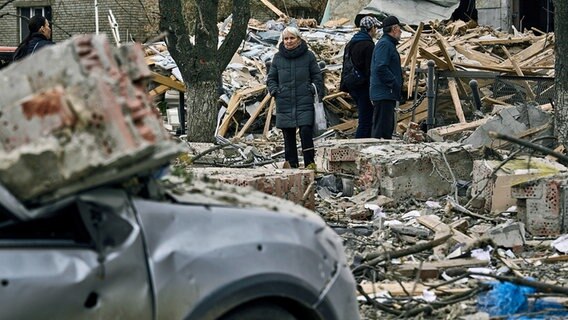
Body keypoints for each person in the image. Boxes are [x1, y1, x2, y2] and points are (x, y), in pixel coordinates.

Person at [267, 26, 324, 169]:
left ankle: (310, 166)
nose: (289, 41)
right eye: (286, 38)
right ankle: (292, 167)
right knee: (288, 136)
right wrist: (275, 90)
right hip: (284, 101)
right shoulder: (278, 58)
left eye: (292, 38)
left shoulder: (309, 56)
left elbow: (317, 76)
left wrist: (312, 89)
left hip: (304, 101)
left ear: (298, 39)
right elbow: (271, 78)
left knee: (306, 133)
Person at [340, 15, 381, 138]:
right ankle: (360, 145)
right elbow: (370, 70)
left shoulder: (351, 43)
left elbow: (345, 64)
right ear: (371, 28)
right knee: (366, 120)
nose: (376, 30)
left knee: (364, 117)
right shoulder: (368, 45)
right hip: (363, 86)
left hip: (352, 84)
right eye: (376, 27)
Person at [369, 15, 403, 139]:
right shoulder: (385, 45)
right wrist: (394, 83)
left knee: (385, 128)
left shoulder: (388, 44)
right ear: (394, 29)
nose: (401, 31)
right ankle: (377, 155)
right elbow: (381, 67)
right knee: (381, 131)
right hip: (384, 93)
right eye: (399, 28)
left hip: (385, 92)